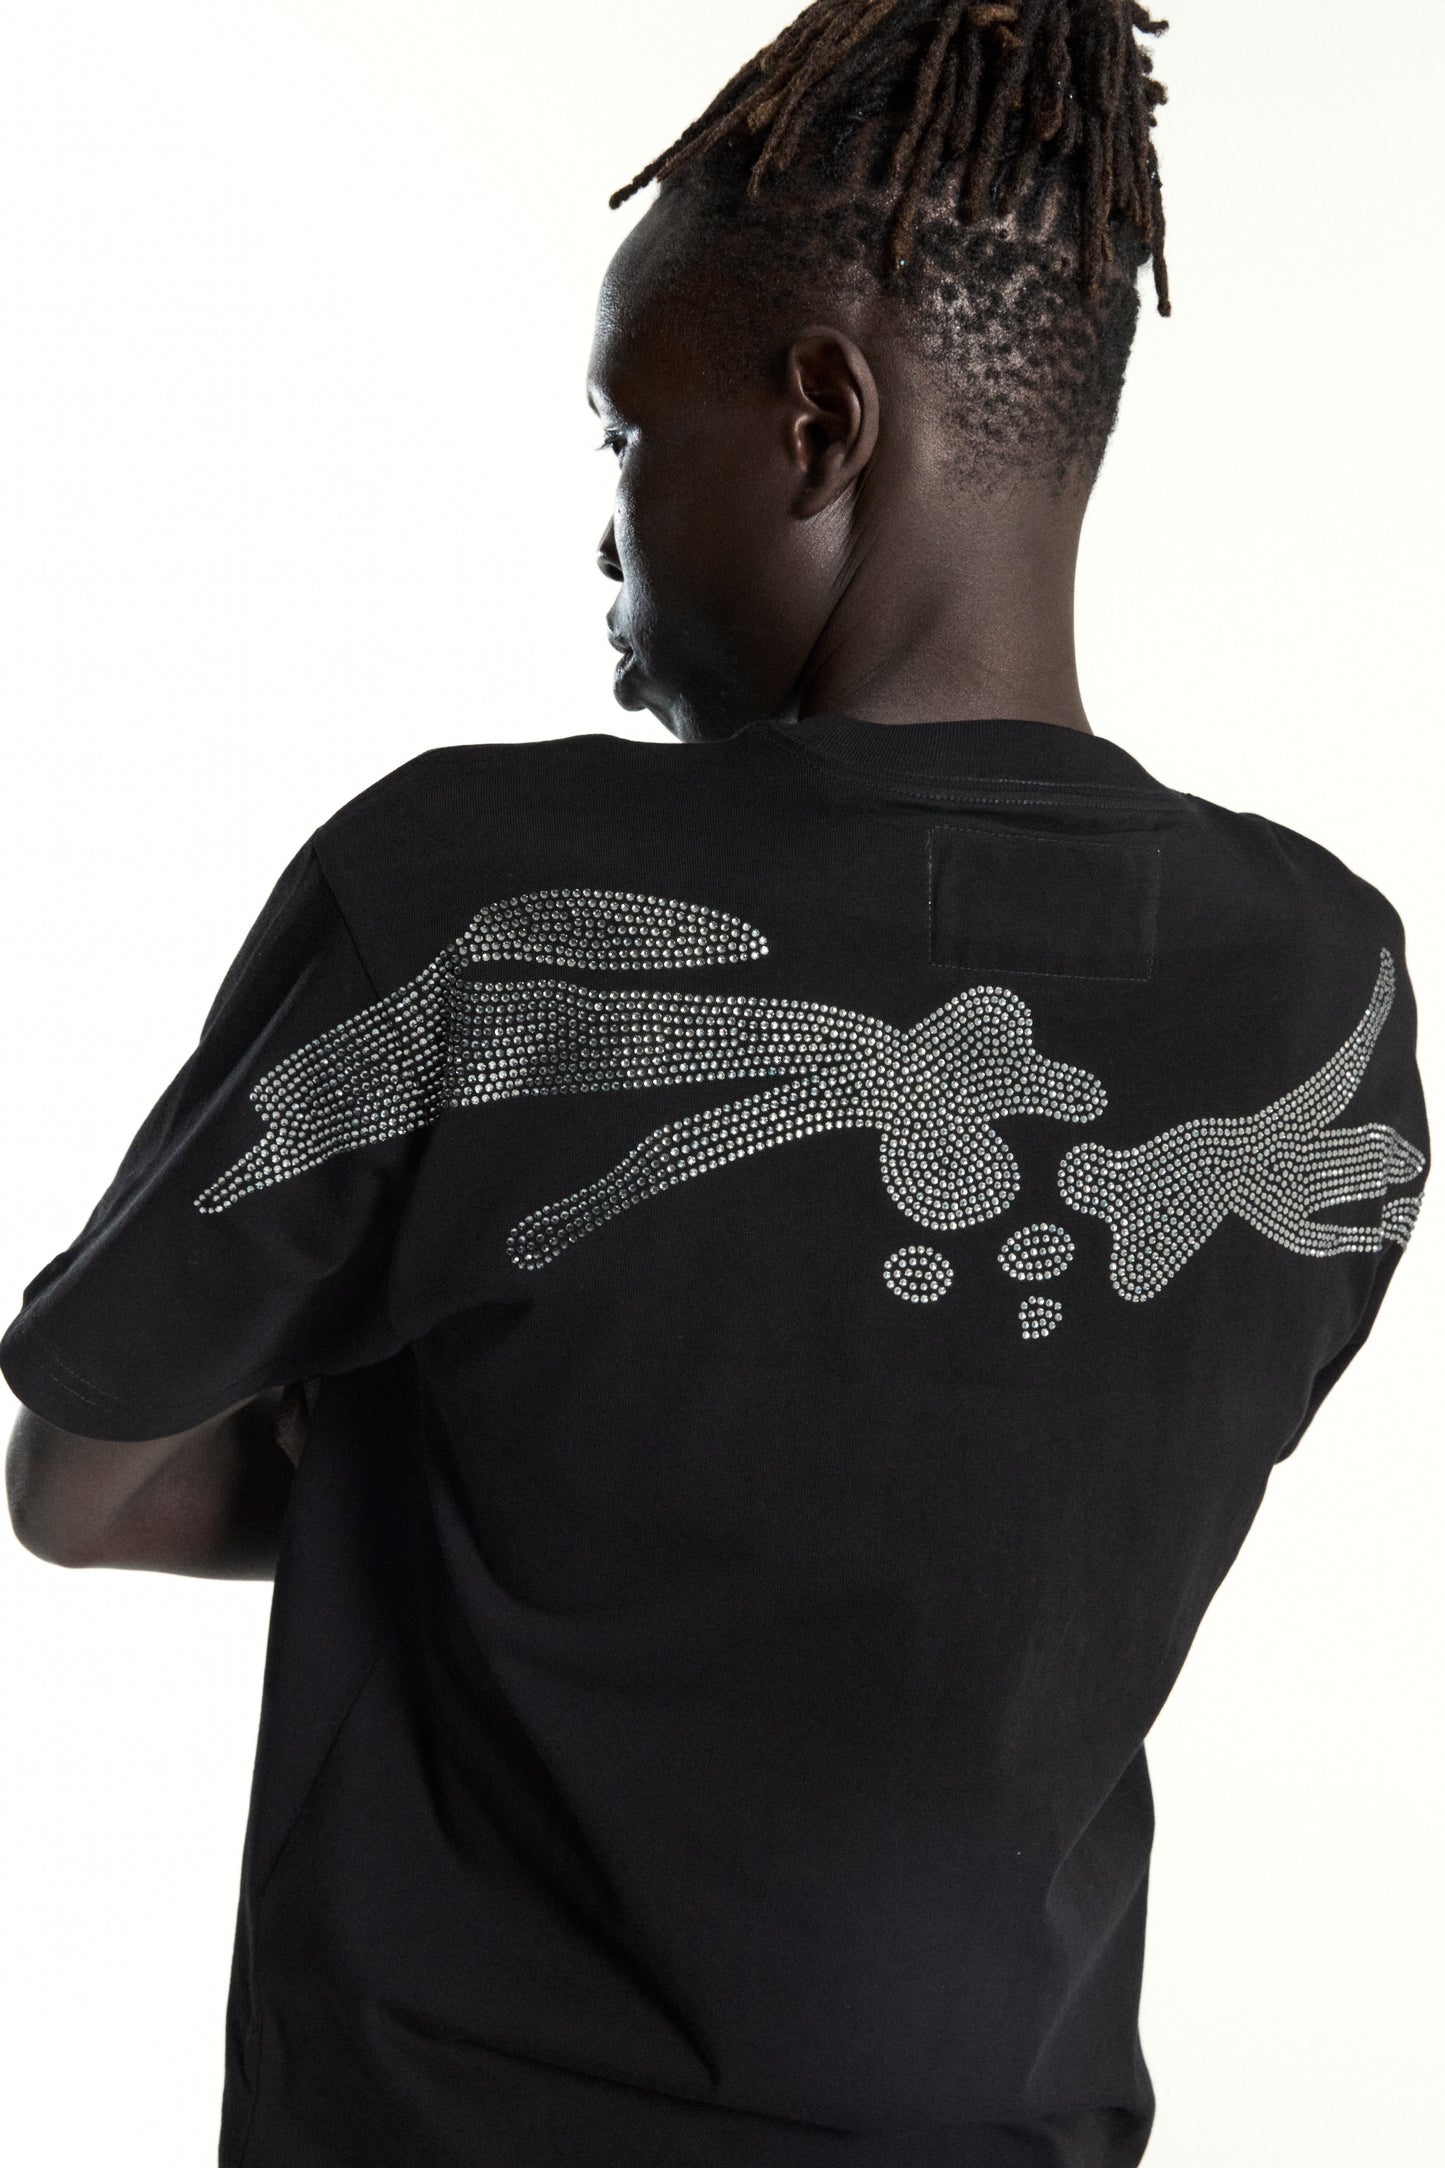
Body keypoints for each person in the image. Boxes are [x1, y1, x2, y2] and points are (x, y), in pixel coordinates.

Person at [1, 3, 1429, 2163]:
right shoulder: (1322, 991)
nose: (606, 535)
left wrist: (458, 1474)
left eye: (622, 435)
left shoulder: (479, 896)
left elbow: (82, 1484)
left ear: (819, 420)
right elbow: (1003, 1519)